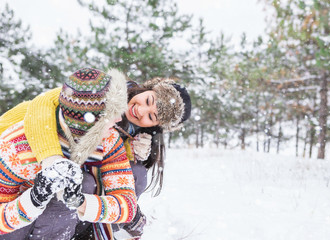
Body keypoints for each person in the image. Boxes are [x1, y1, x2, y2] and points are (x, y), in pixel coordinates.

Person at [0, 68, 192, 239]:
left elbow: (121, 191)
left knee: (90, 182)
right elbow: (40, 105)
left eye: (152, 116)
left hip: (57, 159)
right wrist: (37, 191)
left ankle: (89, 231)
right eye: (148, 100)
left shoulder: (111, 135)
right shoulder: (92, 91)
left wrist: (82, 202)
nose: (141, 110)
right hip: (22, 147)